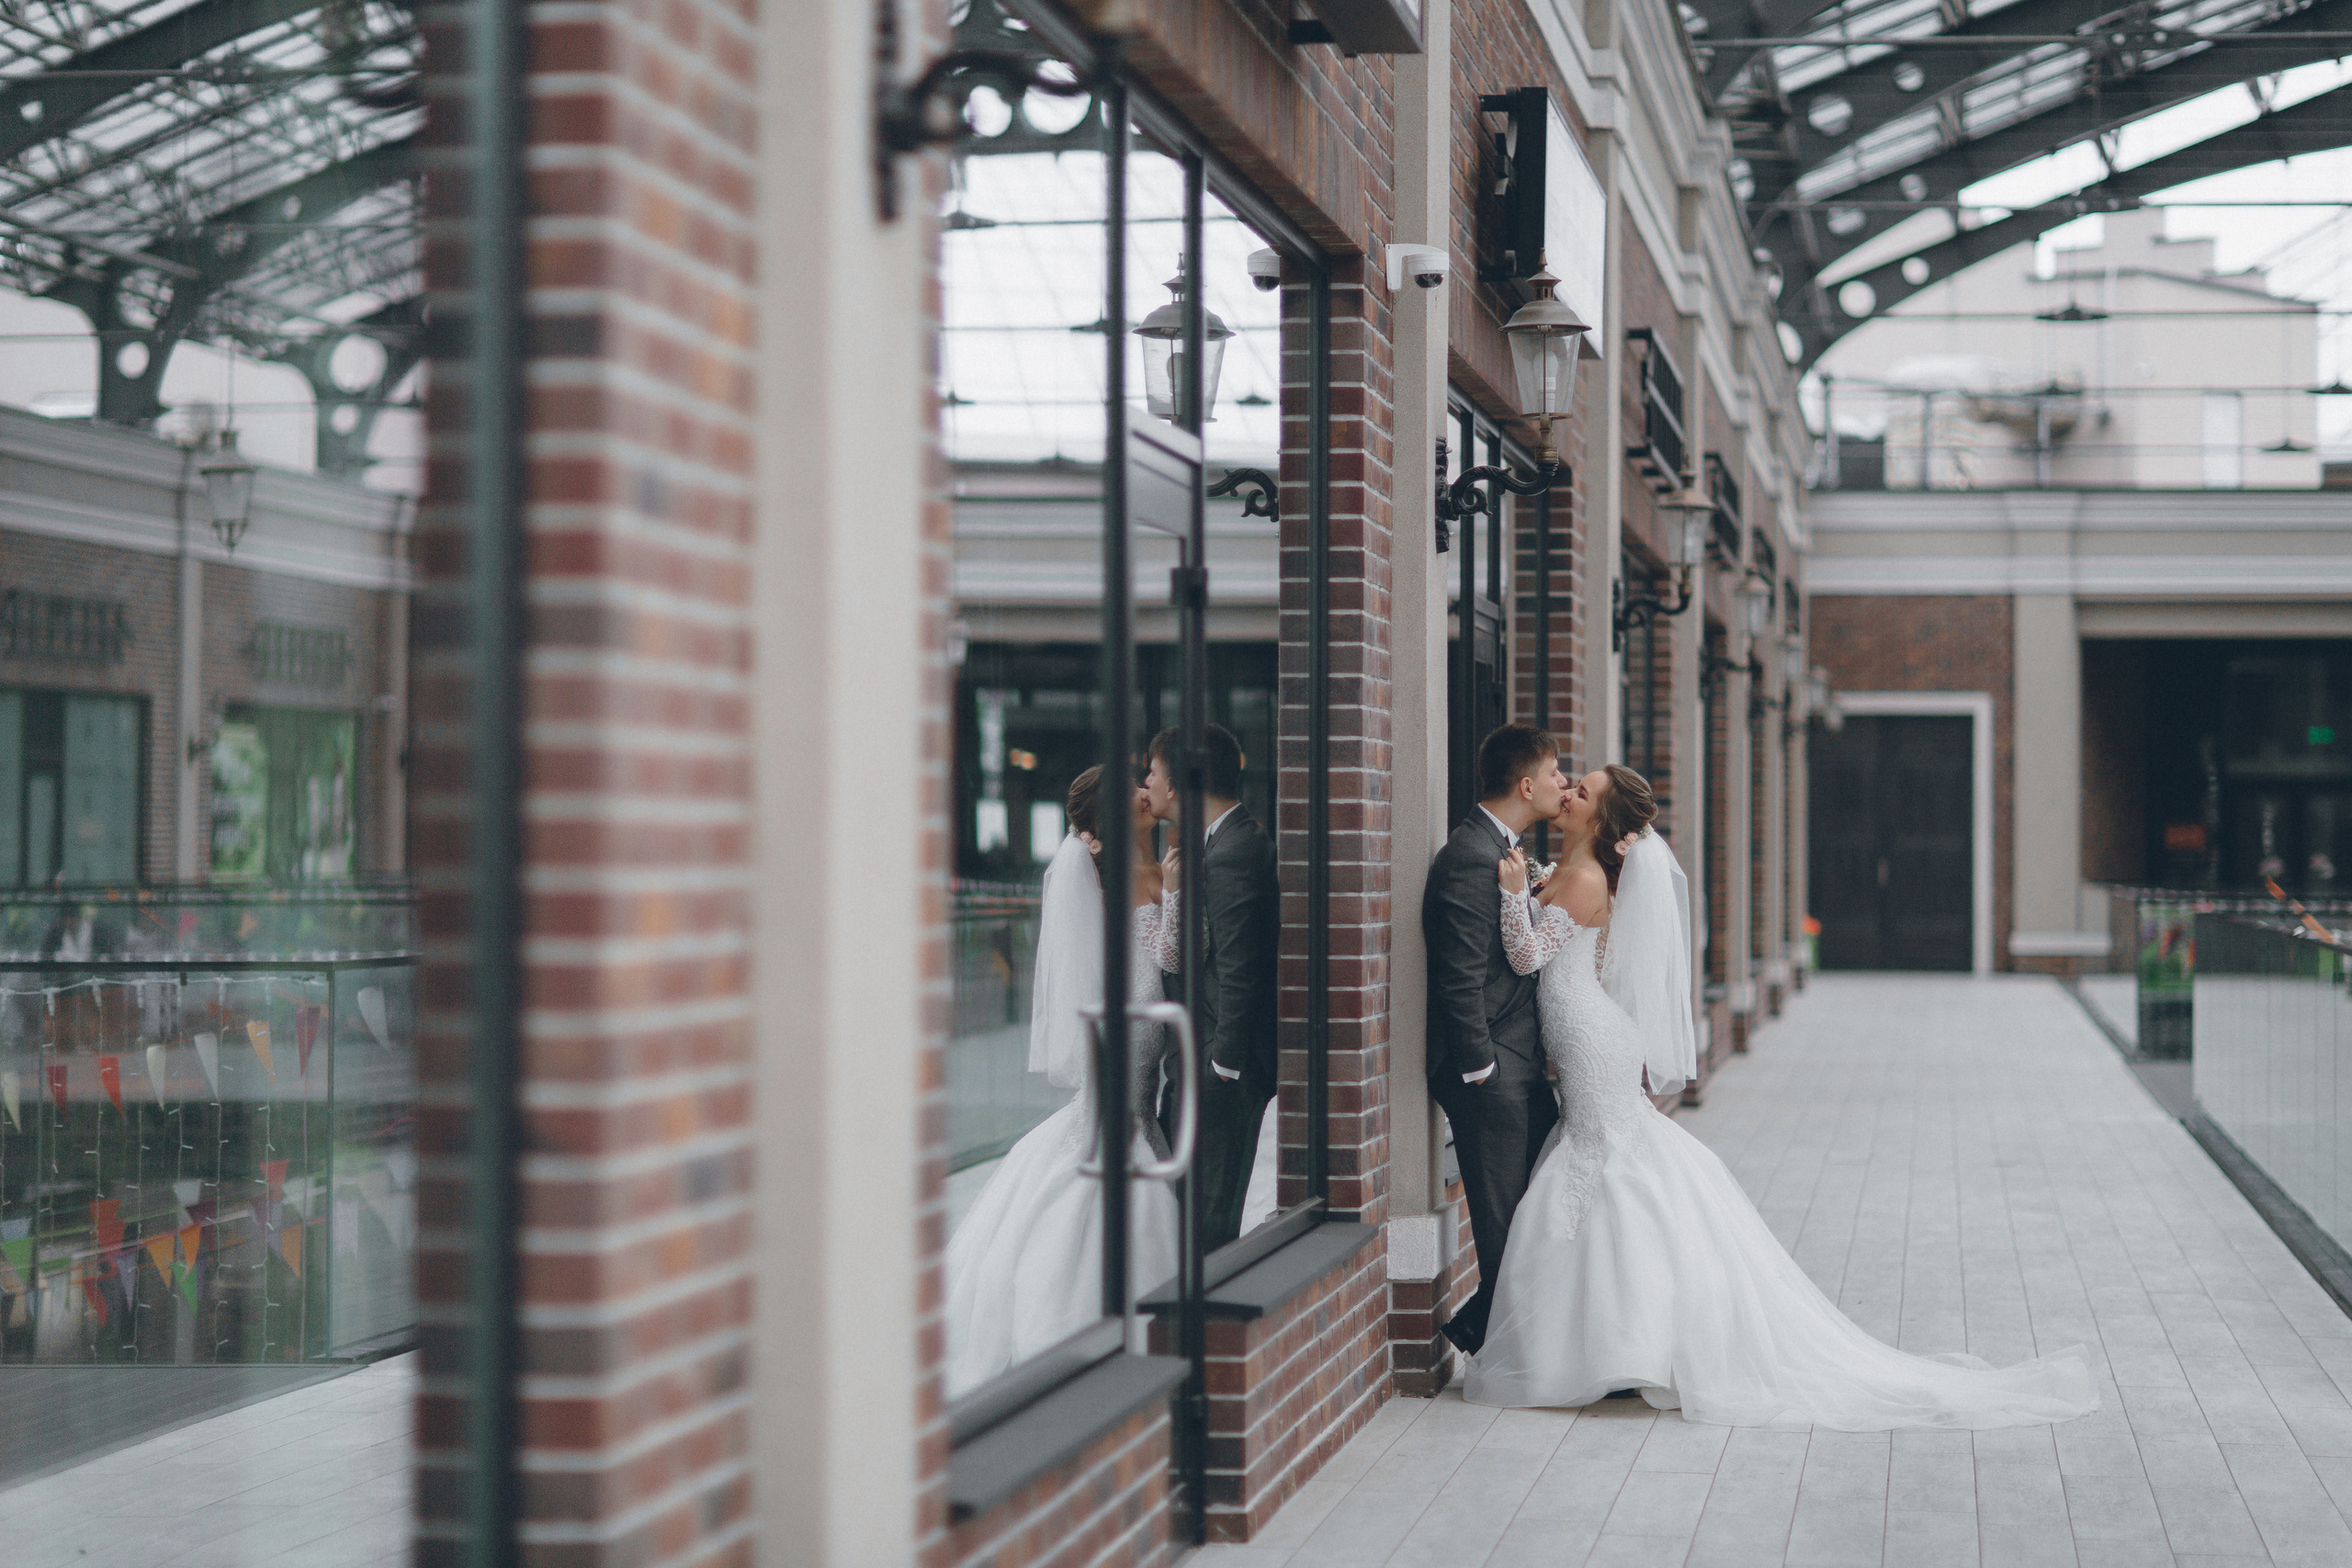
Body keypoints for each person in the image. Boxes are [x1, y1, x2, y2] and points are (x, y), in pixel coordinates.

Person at [1464, 763, 2099, 1430]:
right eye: (1573, 784)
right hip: (1589, 1034)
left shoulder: (1588, 878)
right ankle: (1616, 1341)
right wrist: (1529, 884)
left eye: (1583, 792)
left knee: (1602, 1163)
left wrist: (1512, 895)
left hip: (1593, 1042)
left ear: (1605, 825)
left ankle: (1629, 1346)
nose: (1569, 794)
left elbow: (1529, 954)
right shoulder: (1573, 871)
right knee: (1604, 1162)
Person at [943, 766, 1179, 1398]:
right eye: (1129, 790)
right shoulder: (1117, 884)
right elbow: (1166, 957)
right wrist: (1177, 898)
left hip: (1150, 1040)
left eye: (1140, 779)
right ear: (1102, 827)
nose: (1141, 791)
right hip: (1130, 1035)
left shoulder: (1159, 866)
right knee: (1115, 1149)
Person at [1424, 724, 1568, 1354]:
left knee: (1532, 1217)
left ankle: (1483, 1328)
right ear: (1527, 783)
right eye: (1558, 773)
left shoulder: (1501, 850)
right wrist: (1479, 1067)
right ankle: (1509, 1355)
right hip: (1492, 1072)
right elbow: (1458, 975)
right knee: (1504, 1222)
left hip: (1519, 1062)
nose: (1564, 784)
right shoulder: (1469, 857)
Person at [1145, 724, 1279, 1249]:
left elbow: (1239, 967)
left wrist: (1223, 1064)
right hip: (1200, 1059)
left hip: (1221, 1069)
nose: (1147, 784)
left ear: (1179, 785)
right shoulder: (1221, 842)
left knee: (1206, 1223)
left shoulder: (1233, 851)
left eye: (1152, 773)